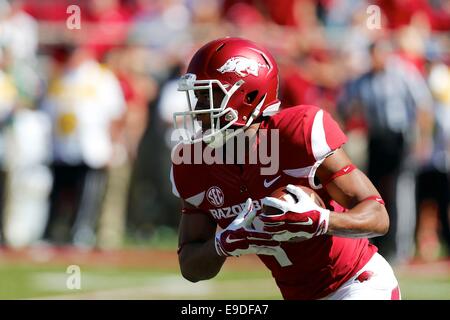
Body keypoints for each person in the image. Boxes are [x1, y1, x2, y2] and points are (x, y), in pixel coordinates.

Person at [170, 37, 400, 300]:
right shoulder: (194, 163)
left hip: (357, 283)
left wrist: (321, 221)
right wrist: (223, 244)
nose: (199, 110)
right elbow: (190, 266)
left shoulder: (298, 134)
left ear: (249, 94)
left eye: (209, 96)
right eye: (197, 97)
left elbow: (378, 216)